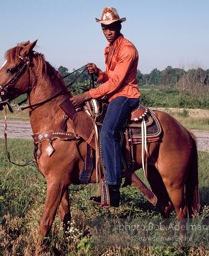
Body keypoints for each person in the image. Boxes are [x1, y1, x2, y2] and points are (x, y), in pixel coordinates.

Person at [71, 7, 140, 207]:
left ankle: (113, 186)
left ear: (119, 26)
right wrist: (99, 73)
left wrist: (87, 94)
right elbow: (109, 77)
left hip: (125, 96)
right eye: (104, 28)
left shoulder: (128, 49)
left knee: (108, 132)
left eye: (111, 27)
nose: (108, 31)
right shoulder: (109, 49)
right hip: (112, 94)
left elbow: (117, 83)